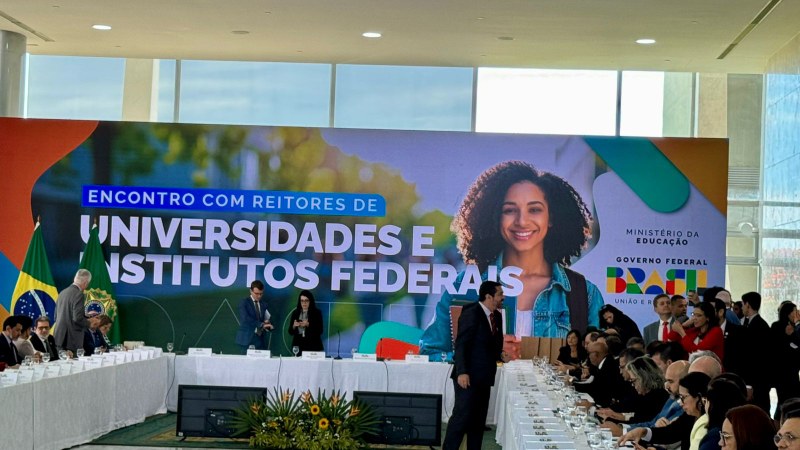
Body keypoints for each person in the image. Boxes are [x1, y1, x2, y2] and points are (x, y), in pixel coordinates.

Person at [420, 161, 604, 356]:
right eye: (509, 210)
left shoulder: (584, 294)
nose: (522, 221)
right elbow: (429, 354)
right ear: (495, 216)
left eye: (534, 209)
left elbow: (601, 362)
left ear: (551, 218)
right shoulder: (465, 286)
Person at [442, 281, 509, 450]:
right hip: (468, 377)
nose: (503, 297)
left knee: (478, 422)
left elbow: (491, 344)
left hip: (485, 377)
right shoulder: (471, 312)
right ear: (489, 296)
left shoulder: (497, 316)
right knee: (461, 419)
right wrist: (462, 372)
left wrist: (500, 354)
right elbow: (462, 344)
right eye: (500, 294)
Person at [698, 377, 747, 450]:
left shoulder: (714, 436)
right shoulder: (743, 430)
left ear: (711, 405)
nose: (720, 443)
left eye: (706, 401)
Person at [53, 268, 93, 355]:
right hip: (71, 340)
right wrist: (90, 323)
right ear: (85, 283)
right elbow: (77, 319)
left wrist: (85, 315)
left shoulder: (62, 292)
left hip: (59, 337)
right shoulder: (79, 294)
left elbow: (56, 316)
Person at [772, 301, 800, 415]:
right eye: (794, 311)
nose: (797, 313)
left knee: (792, 400)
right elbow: (777, 348)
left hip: (793, 371)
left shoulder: (795, 327)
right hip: (782, 371)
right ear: (788, 313)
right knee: (784, 402)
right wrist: (789, 336)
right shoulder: (777, 326)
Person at [234, 280, 273, 353]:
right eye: (257, 293)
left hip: (260, 341)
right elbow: (245, 318)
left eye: (261, 294)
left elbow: (267, 319)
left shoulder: (264, 304)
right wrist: (261, 324)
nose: (259, 296)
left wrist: (268, 324)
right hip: (246, 340)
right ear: (251, 291)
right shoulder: (244, 302)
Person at [288, 290, 324, 355]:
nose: (304, 303)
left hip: (313, 347)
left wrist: (308, 324)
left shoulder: (317, 313)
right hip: (298, 347)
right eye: (302, 301)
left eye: (306, 300)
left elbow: (320, 330)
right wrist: (294, 326)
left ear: (310, 301)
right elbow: (290, 332)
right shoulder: (295, 313)